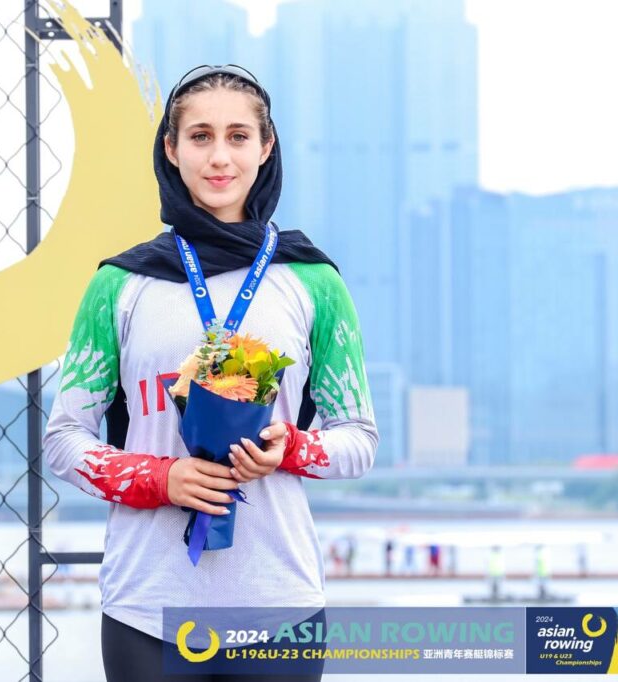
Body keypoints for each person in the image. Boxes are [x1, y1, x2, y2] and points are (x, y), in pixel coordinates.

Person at [43, 64, 379, 682]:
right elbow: (64, 440)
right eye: (199, 137)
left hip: (279, 606)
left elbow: (359, 439)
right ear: (171, 150)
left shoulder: (313, 282)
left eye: (238, 136)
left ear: (266, 147)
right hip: (148, 608)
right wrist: (159, 478)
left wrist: (290, 448)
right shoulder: (120, 284)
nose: (219, 157)